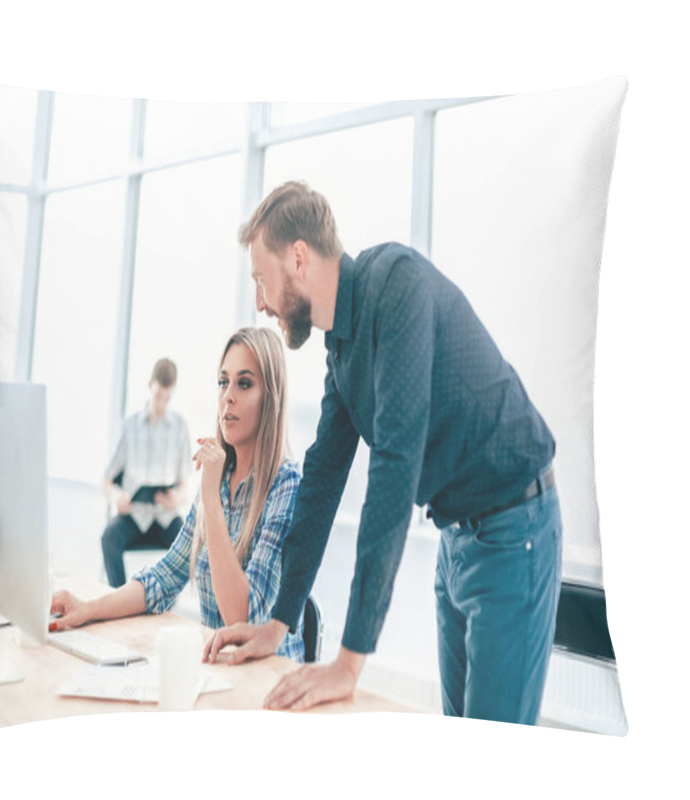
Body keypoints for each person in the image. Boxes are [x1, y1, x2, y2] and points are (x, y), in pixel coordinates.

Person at [204, 181, 563, 724]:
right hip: (458, 538)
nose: (260, 301)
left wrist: (348, 663)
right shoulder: (341, 349)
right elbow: (323, 479)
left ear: (298, 257)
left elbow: (396, 466)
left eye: (261, 279)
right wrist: (279, 622)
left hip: (516, 532)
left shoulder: (397, 286)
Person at [51, 327, 305, 663]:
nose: (227, 396)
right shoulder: (220, 478)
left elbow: (243, 621)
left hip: (268, 676)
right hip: (221, 670)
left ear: (271, 397)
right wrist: (88, 609)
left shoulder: (286, 486)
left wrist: (210, 499)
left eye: (244, 383)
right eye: (222, 382)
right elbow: (164, 576)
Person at [100, 358, 191, 588]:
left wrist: (176, 500)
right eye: (158, 395)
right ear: (150, 385)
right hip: (134, 515)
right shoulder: (130, 426)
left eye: (167, 397)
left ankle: (164, 603)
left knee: (190, 544)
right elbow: (107, 481)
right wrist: (115, 498)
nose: (161, 403)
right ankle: (119, 599)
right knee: (108, 538)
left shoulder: (180, 427)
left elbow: (184, 484)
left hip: (164, 517)